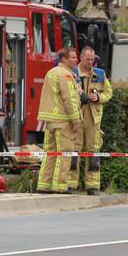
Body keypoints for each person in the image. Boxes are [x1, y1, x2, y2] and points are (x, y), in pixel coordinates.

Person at [68, 46, 112, 195]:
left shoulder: (99, 74)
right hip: (77, 118)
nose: (90, 62)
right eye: (88, 59)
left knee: (93, 155)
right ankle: (71, 184)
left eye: (92, 59)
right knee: (74, 153)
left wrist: (99, 97)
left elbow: (108, 92)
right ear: (81, 57)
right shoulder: (72, 73)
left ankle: (92, 186)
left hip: (94, 120)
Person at [36, 46, 80, 194]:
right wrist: (76, 120)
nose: (76, 60)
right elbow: (70, 99)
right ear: (64, 59)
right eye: (73, 57)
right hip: (63, 121)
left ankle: (44, 185)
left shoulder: (51, 72)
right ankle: (60, 186)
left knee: (50, 153)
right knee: (65, 154)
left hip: (50, 122)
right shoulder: (66, 75)